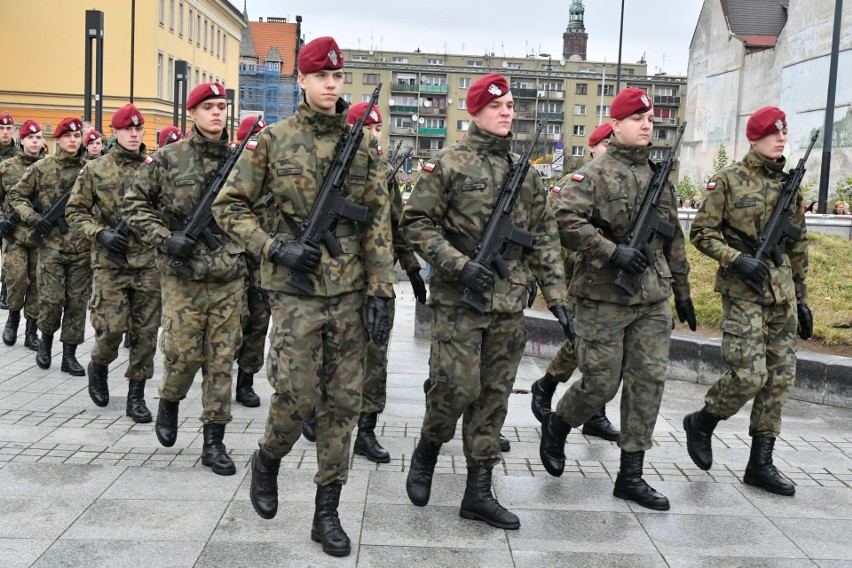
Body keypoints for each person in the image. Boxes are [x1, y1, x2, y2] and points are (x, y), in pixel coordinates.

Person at [212, 36, 394, 558]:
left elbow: (378, 221)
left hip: (352, 291)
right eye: (321, 76)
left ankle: (327, 511)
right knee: (295, 397)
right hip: (296, 293)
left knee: (343, 404)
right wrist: (274, 248)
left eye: (337, 77)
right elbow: (230, 207)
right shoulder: (273, 140)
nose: (331, 84)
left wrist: (381, 289)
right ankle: (267, 458)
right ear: (303, 81)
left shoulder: (360, 144)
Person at [399, 73, 571, 530]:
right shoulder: (449, 164)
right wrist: (457, 264)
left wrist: (557, 297)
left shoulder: (526, 173)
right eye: (498, 106)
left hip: (508, 303)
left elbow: (544, 238)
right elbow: (414, 223)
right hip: (460, 301)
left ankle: (478, 492)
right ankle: (427, 450)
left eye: (511, 105)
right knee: (455, 388)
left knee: (493, 397)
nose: (507, 112)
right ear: (476, 111)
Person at [543, 88, 694, 511]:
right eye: (638, 118)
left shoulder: (660, 178)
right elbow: (562, 219)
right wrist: (611, 251)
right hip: (602, 295)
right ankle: (557, 425)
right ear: (616, 126)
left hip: (651, 297)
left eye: (650, 118)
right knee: (600, 383)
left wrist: (681, 290)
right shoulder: (592, 174)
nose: (647, 124)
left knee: (647, 385)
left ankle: (631, 476)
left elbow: (671, 238)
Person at [683, 106, 811, 496]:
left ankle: (760, 463)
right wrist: (737, 259)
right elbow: (702, 234)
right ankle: (703, 421)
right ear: (754, 139)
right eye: (774, 134)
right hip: (743, 294)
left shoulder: (790, 186)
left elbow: (798, 244)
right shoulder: (727, 181)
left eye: (784, 133)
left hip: (782, 295)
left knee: (779, 380)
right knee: (749, 376)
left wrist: (803, 299)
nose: (781, 138)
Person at [122, 83, 247, 476]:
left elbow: (262, 211)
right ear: (192, 113)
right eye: (208, 107)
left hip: (228, 276)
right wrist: (165, 239)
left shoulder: (242, 162)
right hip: (183, 278)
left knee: (221, 361)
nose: (217, 113)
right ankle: (169, 401)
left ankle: (214, 440)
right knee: (183, 356)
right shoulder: (167, 159)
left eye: (222, 107)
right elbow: (133, 205)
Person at [66, 103, 161, 423]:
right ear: (115, 132)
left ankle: (136, 395)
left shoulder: (155, 167)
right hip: (109, 263)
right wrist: (101, 234)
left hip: (147, 262)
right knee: (110, 331)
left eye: (139, 129)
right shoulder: (95, 169)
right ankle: (99, 365)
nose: (134, 134)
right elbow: (74, 213)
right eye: (128, 130)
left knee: (146, 335)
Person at [345, 101, 427, 463]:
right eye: (368, 128)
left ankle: (366, 431)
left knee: (375, 357)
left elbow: (396, 224)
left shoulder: (385, 173)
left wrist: (410, 266)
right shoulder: (333, 167)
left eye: (379, 130)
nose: (375, 136)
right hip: (337, 279)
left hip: (378, 280)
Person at [531, 121, 619, 442]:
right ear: (593, 148)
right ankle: (548, 386)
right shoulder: (575, 181)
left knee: (602, 345)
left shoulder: (624, 182)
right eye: (605, 145)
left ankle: (594, 412)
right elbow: (553, 230)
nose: (611, 150)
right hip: (579, 276)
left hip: (611, 277)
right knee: (585, 341)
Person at [9, 117, 91, 375]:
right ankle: (45, 344)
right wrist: (33, 218)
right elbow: (16, 195)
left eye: (77, 136)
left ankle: (70, 355)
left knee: (77, 304)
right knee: (52, 300)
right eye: (68, 136)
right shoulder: (42, 168)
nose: (73, 140)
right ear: (58, 140)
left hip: (82, 248)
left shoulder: (90, 169)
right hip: (51, 247)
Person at [231, 115, 269, 408]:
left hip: (264, 258)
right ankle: (219, 373)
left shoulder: (273, 172)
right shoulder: (230, 174)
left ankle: (246, 380)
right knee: (236, 319)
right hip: (230, 256)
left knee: (258, 320)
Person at [1, 120, 46, 349]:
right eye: (30, 138)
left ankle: (31, 331)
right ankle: (13, 318)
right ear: (23, 140)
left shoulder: (50, 168)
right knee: (17, 279)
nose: (35, 142)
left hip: (40, 235)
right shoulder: (7, 167)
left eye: (38, 138)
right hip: (14, 235)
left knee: (37, 284)